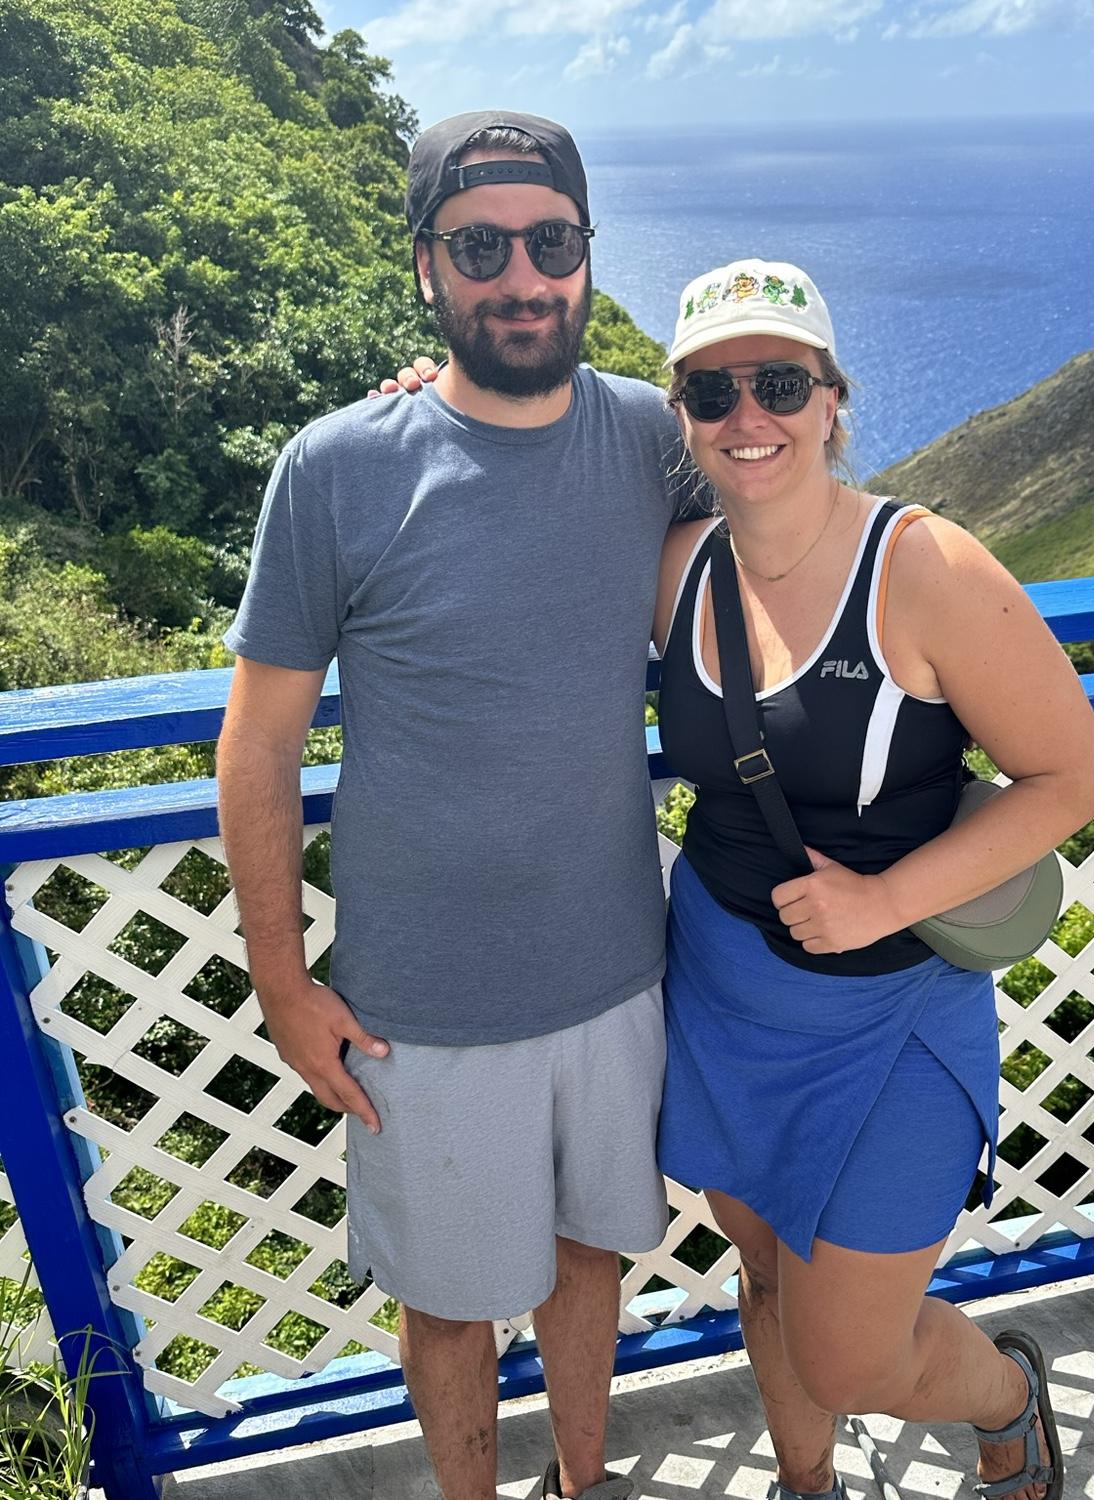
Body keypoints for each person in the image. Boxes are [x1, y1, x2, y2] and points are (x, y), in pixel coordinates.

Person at [217, 110, 691, 1500]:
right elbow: (257, 747)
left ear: (589, 256)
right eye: (480, 248)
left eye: (552, 242)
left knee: (590, 1259)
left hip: (620, 971)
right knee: (447, 1306)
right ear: (425, 264)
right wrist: (281, 981)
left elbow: (793, 524)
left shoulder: (650, 436)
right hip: (419, 1007)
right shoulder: (337, 468)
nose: (522, 278)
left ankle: (585, 1483)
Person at [648, 258, 1094, 1500]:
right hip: (723, 993)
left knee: (852, 1354)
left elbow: (1071, 776)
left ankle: (1007, 1396)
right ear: (683, 415)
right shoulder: (677, 569)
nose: (749, 415)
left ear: (832, 400)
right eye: (713, 392)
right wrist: (432, 398)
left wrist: (884, 901)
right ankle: (809, 1485)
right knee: (765, 1275)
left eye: (780, 382)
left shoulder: (923, 566)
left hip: (894, 1011)